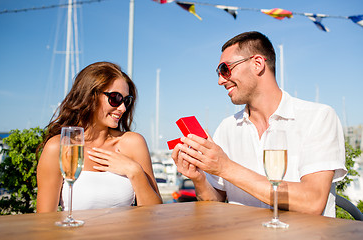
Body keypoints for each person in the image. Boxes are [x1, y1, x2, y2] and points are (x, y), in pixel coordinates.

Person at [171, 31, 346, 217]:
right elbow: (215, 200)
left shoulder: (318, 117)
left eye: (225, 69)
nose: (220, 80)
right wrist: (198, 179)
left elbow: (312, 202)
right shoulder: (226, 127)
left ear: (257, 64)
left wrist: (225, 167)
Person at [37, 61, 162, 213]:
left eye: (126, 101)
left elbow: (155, 212)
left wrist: (134, 171)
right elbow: (44, 220)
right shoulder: (59, 147)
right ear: (90, 96)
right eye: (115, 98)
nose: (122, 108)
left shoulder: (133, 143)